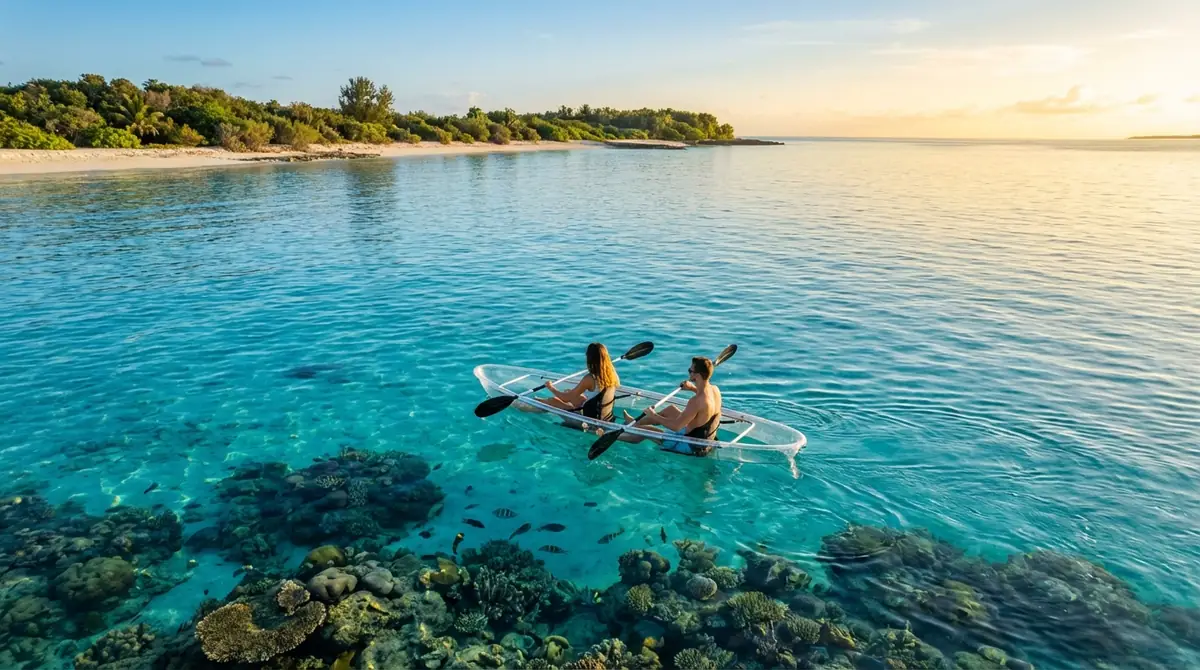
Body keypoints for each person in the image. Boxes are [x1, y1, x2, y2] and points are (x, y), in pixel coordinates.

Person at [619, 356, 722, 456]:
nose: (689, 373)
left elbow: (676, 427)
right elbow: (704, 402)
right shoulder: (715, 390)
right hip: (704, 438)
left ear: (697, 375)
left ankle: (619, 434)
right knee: (670, 410)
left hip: (690, 445)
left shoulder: (695, 401)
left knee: (646, 430)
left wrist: (653, 415)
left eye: (690, 371)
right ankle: (635, 422)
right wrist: (692, 388)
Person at [539, 342, 620, 422]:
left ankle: (534, 404)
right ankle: (540, 401)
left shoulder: (590, 378)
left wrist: (550, 387)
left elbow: (566, 398)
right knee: (574, 395)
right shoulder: (613, 375)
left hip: (587, 420)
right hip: (604, 416)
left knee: (554, 400)